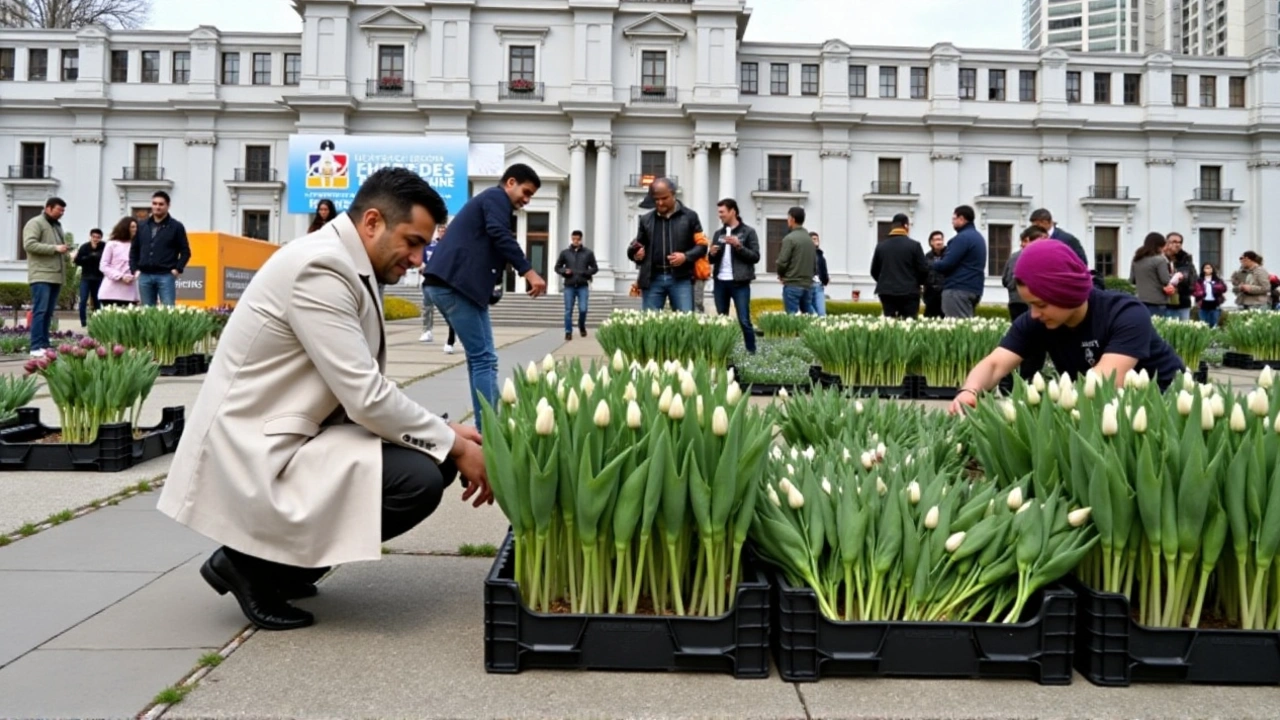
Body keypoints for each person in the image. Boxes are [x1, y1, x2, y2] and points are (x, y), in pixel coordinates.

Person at [157, 167, 491, 631]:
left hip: (297, 433)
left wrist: (446, 435)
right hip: (256, 448)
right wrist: (456, 445)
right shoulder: (322, 267)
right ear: (372, 222)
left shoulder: (347, 261)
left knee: (432, 457)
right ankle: (248, 566)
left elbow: (362, 386)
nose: (419, 259)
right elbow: (366, 397)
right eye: (412, 242)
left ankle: (286, 564)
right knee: (419, 478)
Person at [950, 240, 1185, 415]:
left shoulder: (1125, 313)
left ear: (1067, 293)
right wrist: (969, 391)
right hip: (1105, 410)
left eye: (1041, 303)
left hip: (1168, 404)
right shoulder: (1037, 321)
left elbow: (1105, 380)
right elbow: (994, 364)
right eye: (1029, 304)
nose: (1033, 313)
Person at [424, 163, 548, 431]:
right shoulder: (496, 197)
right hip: (454, 285)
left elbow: (488, 243)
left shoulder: (490, 202)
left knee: (479, 357)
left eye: (531, 197)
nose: (526, 201)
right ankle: (491, 431)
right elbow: (498, 233)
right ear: (510, 182)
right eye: (525, 193)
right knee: (484, 359)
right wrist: (528, 271)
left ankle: (486, 428)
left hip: (451, 285)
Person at [627, 177, 707, 313]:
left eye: (664, 198)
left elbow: (702, 246)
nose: (659, 203)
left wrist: (685, 256)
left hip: (681, 278)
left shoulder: (690, 217)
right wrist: (636, 254)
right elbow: (635, 247)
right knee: (649, 324)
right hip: (653, 278)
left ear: (673, 194)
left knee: (685, 323)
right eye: (656, 199)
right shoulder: (646, 220)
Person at [708, 198, 760, 353]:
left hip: (740, 282)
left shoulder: (748, 232)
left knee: (744, 320)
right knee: (722, 320)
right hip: (720, 282)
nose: (720, 215)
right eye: (719, 212)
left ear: (733, 211)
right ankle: (723, 352)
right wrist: (711, 254)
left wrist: (738, 246)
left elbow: (755, 256)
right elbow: (712, 259)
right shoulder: (719, 233)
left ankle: (751, 352)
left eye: (722, 212)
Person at [23, 197, 70, 357]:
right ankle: (35, 346)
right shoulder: (35, 223)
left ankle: (44, 344)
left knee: (48, 312)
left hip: (55, 276)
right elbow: (29, 244)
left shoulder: (57, 226)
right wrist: (55, 248)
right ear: (48, 208)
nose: (62, 213)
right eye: (59, 210)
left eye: (63, 210)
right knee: (40, 311)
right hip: (41, 275)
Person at [130, 191, 191, 307]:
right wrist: (135, 270)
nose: (157, 207)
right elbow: (134, 250)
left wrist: (178, 269)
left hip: (166, 275)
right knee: (147, 313)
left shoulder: (176, 227)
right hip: (145, 275)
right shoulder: (142, 225)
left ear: (168, 206)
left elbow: (185, 251)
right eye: (155, 203)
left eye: (161, 204)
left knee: (168, 311)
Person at [931, 205, 987, 318]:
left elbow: (946, 264)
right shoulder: (978, 237)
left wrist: (931, 264)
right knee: (965, 328)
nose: (952, 222)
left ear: (961, 218)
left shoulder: (962, 238)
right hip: (974, 288)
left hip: (958, 289)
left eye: (954, 219)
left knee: (957, 330)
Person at [869, 213, 929, 318]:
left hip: (886, 291)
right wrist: (917, 283)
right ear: (906, 226)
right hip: (909, 291)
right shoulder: (914, 245)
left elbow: (874, 271)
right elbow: (923, 269)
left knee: (890, 324)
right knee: (908, 324)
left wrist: (885, 280)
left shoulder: (881, 246)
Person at [1029, 208, 1103, 290]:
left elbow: (1081, 263)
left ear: (1045, 222)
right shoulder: (1034, 238)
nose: (1034, 229)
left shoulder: (1066, 239)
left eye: (1036, 225)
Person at [554, 230, 597, 340]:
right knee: (568, 310)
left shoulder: (588, 253)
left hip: (582, 285)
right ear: (571, 239)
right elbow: (557, 267)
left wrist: (586, 273)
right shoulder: (565, 253)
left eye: (577, 239)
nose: (575, 241)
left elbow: (595, 268)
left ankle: (581, 325)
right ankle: (568, 331)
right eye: (574, 239)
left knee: (583, 309)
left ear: (581, 239)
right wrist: (564, 271)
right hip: (569, 285)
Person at [1003, 226, 1049, 321]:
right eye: (1042, 240)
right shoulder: (1020, 257)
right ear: (1027, 240)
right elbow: (1010, 281)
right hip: (1022, 302)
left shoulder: (1015, 256)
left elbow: (1005, 280)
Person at [776, 206, 816, 315]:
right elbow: (814, 265)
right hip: (807, 285)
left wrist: (781, 275)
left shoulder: (789, 238)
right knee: (807, 317)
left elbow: (782, 262)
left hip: (792, 283)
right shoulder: (810, 240)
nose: (787, 220)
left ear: (792, 219)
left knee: (792, 318)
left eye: (788, 218)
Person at [1130, 232, 1176, 316]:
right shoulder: (1159, 260)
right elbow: (1165, 280)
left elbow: (1132, 280)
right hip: (1157, 301)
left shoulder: (1136, 259)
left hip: (1141, 299)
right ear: (1159, 246)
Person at [98, 217, 140, 307]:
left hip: (130, 292)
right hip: (111, 291)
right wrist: (120, 276)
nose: (135, 230)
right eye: (132, 227)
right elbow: (104, 265)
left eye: (136, 227)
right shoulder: (112, 244)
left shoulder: (139, 246)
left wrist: (134, 275)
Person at [73, 227, 105, 327]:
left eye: (98, 237)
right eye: (94, 237)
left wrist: (96, 256)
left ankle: (97, 322)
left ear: (101, 238)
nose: (95, 239)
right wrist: (90, 256)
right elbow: (77, 261)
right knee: (83, 300)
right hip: (86, 277)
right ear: (90, 237)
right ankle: (83, 322)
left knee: (97, 301)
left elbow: (105, 258)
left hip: (98, 278)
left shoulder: (104, 246)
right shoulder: (84, 247)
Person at [1164, 232, 1195, 320]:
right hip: (1165, 302)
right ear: (1167, 243)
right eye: (1174, 242)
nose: (1177, 244)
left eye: (1180, 242)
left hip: (1183, 301)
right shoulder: (1161, 258)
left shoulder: (1186, 258)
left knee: (1184, 331)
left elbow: (1192, 278)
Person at [1192, 263, 1227, 328]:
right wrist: (1200, 293)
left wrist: (1215, 286)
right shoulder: (1199, 281)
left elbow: (1224, 288)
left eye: (1209, 268)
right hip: (1203, 304)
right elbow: (1194, 291)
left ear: (1212, 269)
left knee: (1214, 324)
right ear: (1203, 269)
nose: (1208, 269)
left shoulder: (1217, 280)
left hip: (1214, 304)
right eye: (1206, 268)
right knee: (1204, 324)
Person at [922, 231, 946, 317]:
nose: (939, 242)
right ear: (931, 242)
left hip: (945, 292)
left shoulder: (949, 254)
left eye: (940, 239)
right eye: (936, 240)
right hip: (931, 294)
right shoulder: (927, 256)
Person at [810, 231, 830, 316]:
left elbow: (824, 270)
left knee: (822, 314)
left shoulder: (821, 256)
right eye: (814, 239)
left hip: (819, 286)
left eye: (817, 239)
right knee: (812, 313)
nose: (816, 241)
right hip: (808, 286)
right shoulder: (804, 254)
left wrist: (825, 280)